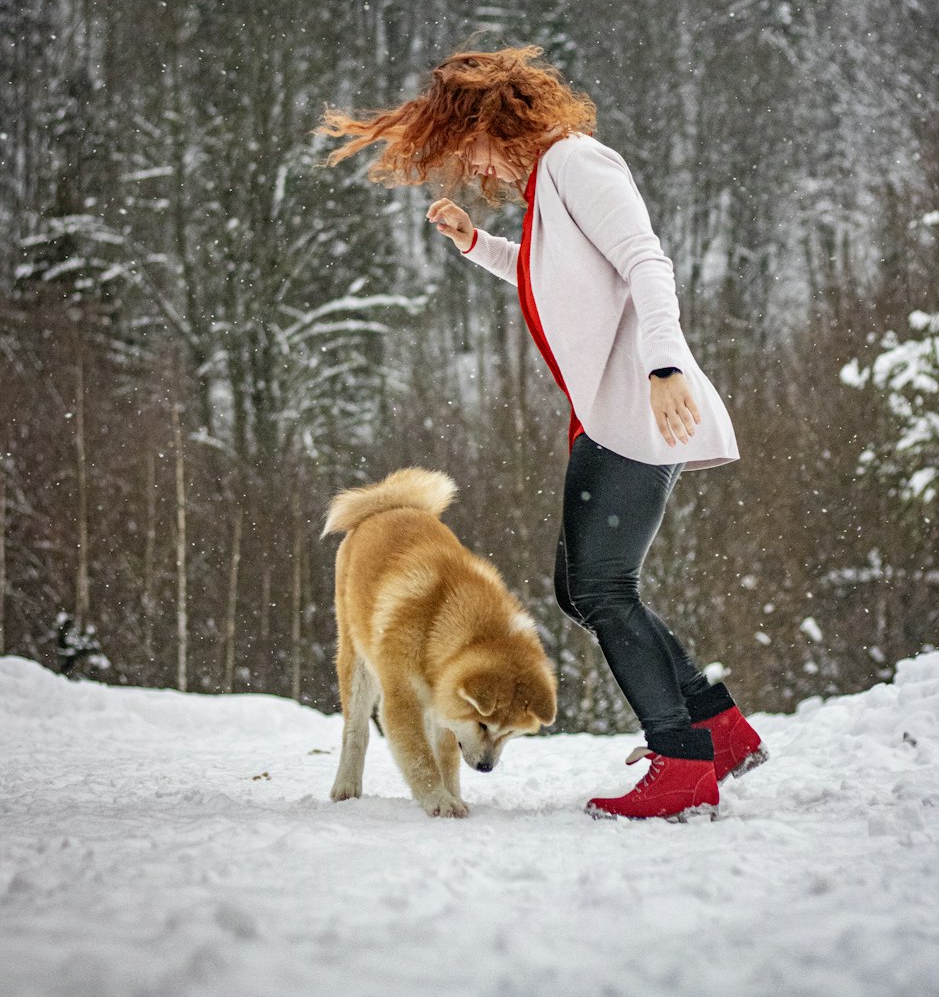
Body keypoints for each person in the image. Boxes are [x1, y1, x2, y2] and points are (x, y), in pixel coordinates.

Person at [318, 45, 766, 820]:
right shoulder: (552, 184)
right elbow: (558, 280)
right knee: (579, 588)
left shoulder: (577, 164)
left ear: (495, 119)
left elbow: (646, 263)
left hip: (638, 408)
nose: (474, 169)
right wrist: (475, 246)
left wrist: (664, 369)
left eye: (467, 148)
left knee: (601, 588)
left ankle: (683, 755)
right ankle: (717, 727)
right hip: (611, 415)